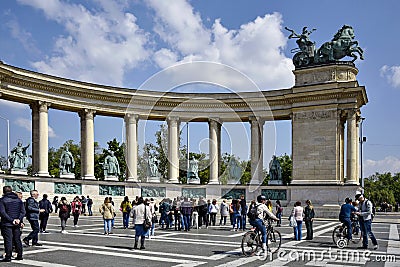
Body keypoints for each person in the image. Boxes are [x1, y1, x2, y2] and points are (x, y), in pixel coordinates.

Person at [0, 186, 25, 262]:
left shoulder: (2, 200)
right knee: (17, 239)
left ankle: (8, 256)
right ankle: (20, 255)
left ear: (4, 192)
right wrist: (18, 219)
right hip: (17, 223)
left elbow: (2, 212)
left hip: (7, 223)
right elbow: (23, 212)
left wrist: (11, 220)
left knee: (8, 240)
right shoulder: (18, 200)